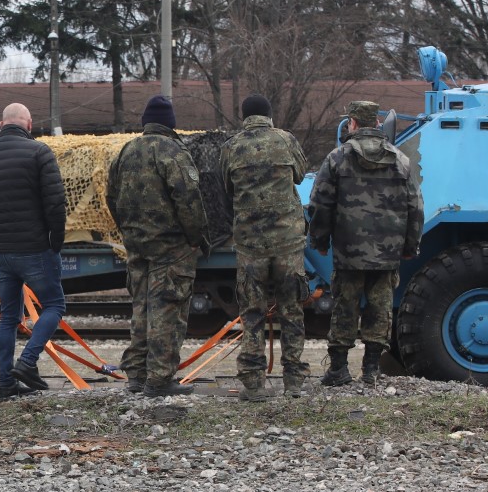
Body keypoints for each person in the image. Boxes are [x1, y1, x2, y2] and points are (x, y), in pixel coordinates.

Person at [308, 101, 423, 385]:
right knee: (380, 307)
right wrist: (410, 246)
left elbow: (320, 204)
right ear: (377, 124)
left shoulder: (336, 158)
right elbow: (415, 207)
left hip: (348, 251)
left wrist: (319, 241)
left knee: (345, 306)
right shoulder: (401, 160)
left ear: (353, 123)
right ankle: (371, 370)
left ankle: (338, 369)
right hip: (387, 252)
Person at [106, 95, 209, 397]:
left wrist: (128, 230)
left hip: (136, 245)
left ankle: (136, 375)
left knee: (141, 309)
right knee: (167, 309)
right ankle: (161, 379)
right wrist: (198, 237)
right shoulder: (173, 151)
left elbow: (111, 197)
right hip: (171, 247)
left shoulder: (126, 151)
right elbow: (189, 200)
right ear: (171, 122)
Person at [0, 102, 67, 398]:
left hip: (2, 253)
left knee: (9, 318)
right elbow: (55, 203)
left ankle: (5, 385)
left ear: (1, 124)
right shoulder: (39, 153)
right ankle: (27, 362)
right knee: (54, 306)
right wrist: (55, 241)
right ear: (29, 124)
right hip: (36, 248)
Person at [220, 94, 310, 401]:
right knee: (291, 312)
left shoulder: (231, 147)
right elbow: (300, 174)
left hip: (250, 245)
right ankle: (295, 382)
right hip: (288, 242)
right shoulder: (286, 140)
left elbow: (226, 189)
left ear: (243, 117)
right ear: (269, 115)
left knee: (253, 314)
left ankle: (254, 384)